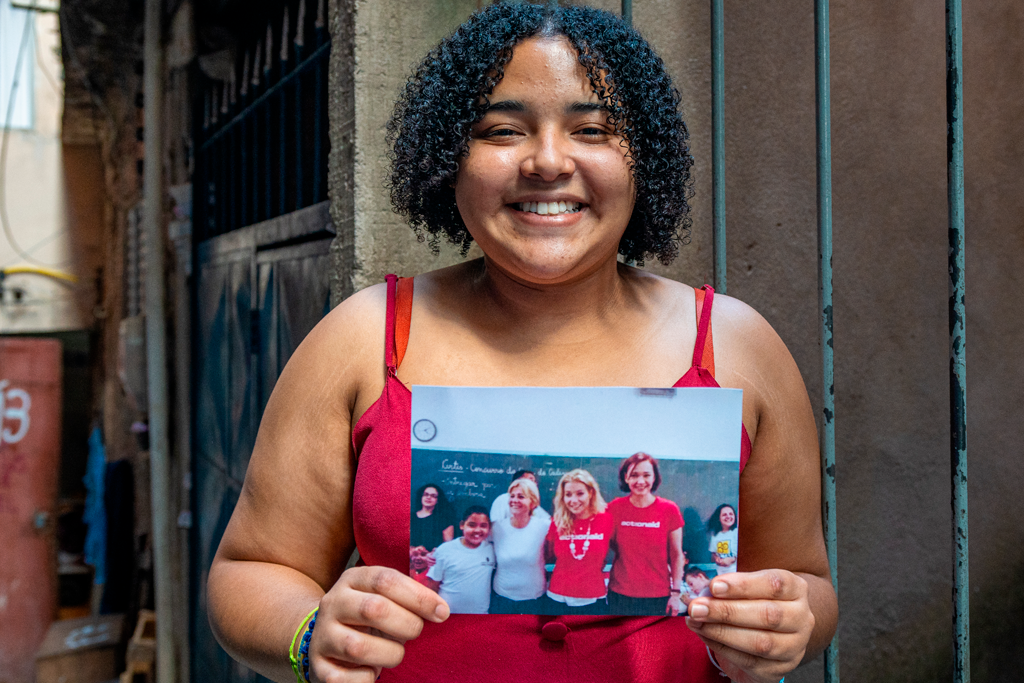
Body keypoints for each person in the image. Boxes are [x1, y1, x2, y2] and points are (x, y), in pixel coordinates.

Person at [207, 5, 836, 683]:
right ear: (450, 155)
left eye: (591, 129)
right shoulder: (364, 340)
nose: (546, 161)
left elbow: (807, 583)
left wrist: (787, 623)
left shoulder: (737, 345)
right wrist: (309, 633)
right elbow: (250, 570)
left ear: (643, 156)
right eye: (502, 130)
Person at [607, 453, 685, 616]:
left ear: (655, 478)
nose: (640, 481)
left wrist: (676, 593)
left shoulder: (669, 510)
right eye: (634, 475)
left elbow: (677, 555)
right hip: (620, 595)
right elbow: (608, 545)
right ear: (626, 478)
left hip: (657, 596)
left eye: (646, 475)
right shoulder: (614, 508)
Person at [544, 469, 613, 615]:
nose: (573, 500)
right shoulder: (556, 522)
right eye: (568, 495)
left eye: (580, 493)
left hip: (594, 599)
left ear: (591, 493)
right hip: (557, 598)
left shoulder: (607, 520)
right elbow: (549, 554)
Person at [489, 477, 549, 613]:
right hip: (501, 600)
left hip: (534, 601)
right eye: (512, 496)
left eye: (521, 496)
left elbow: (552, 553)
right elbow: (476, 543)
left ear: (533, 503)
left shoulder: (544, 526)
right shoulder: (497, 527)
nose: (514, 500)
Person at [423, 506, 496, 614]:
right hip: (448, 614)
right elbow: (433, 584)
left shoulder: (492, 550)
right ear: (462, 525)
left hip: (480, 615)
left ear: (489, 528)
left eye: (483, 526)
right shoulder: (445, 549)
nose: (477, 530)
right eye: (472, 525)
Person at [409, 483, 455, 557]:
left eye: (433, 496)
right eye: (426, 494)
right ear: (421, 497)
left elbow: (448, 547)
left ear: (437, 500)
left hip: (433, 560)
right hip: (411, 560)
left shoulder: (445, 519)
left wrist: (432, 553)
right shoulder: (410, 517)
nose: (428, 497)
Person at [707, 503, 738, 576]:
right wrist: (717, 559)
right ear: (719, 518)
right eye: (724, 515)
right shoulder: (715, 536)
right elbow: (713, 554)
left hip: (736, 573)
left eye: (731, 514)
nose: (728, 517)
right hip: (721, 574)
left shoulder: (737, 532)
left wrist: (732, 559)